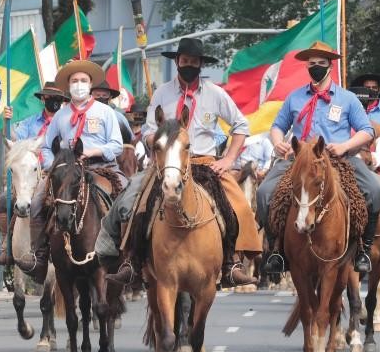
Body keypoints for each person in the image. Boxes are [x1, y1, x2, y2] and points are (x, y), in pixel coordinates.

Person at [100, 37, 260, 287]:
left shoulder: (216, 94)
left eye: (194, 62)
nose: (189, 65)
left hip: (205, 164)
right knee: (132, 202)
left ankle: (231, 262)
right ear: (177, 61)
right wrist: (160, 139)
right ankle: (132, 260)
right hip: (166, 164)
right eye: (184, 60)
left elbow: (241, 125)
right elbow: (148, 130)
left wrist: (228, 159)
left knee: (237, 206)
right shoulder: (162, 93)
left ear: (200, 65)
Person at [256, 41, 380, 274]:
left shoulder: (347, 99)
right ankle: (275, 250)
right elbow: (277, 126)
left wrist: (345, 145)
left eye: (321, 64)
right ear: (307, 66)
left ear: (330, 66)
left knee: (374, 191)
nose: (316, 67)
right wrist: (278, 143)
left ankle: (363, 249)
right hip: (300, 160)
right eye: (312, 63)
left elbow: (367, 131)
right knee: (263, 194)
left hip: (338, 159)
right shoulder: (294, 98)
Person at [20, 60, 124, 283]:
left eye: (83, 81)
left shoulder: (105, 112)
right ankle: (39, 255)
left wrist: (95, 150)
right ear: (68, 86)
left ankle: (129, 258)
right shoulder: (60, 116)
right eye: (75, 81)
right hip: (66, 172)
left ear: (90, 84)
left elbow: (117, 144)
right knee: (38, 200)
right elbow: (47, 146)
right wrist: (52, 165)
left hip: (101, 168)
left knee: (128, 198)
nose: (79, 84)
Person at [0, 82, 68, 266]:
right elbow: (15, 140)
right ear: (43, 99)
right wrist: (5, 121)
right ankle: (7, 245)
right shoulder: (31, 121)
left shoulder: (67, 122)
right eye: (50, 98)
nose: (54, 102)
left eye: (58, 99)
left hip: (56, 174)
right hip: (28, 176)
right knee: (3, 201)